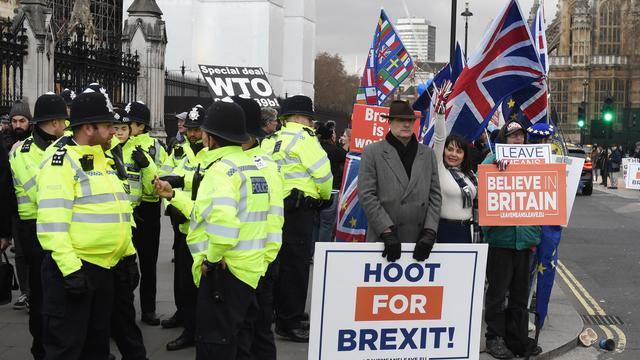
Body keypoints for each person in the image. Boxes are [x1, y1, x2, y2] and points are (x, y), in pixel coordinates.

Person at [155, 99, 272, 359]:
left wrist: (211, 259)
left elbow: (224, 225)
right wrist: (173, 195)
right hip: (249, 270)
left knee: (215, 345)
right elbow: (207, 211)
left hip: (224, 273)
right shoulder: (251, 167)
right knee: (241, 343)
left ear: (210, 136)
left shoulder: (220, 171)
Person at [36, 90, 137, 359]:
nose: (113, 132)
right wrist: (71, 271)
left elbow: (118, 211)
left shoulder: (102, 158)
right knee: (66, 349)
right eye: (107, 126)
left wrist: (128, 256)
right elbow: (52, 223)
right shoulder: (62, 161)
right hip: (76, 271)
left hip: (105, 270)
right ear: (89, 128)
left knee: (96, 346)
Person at [261, 95, 333, 342]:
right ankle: (290, 321)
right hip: (299, 211)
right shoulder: (306, 139)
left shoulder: (271, 141)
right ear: (305, 118)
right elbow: (323, 176)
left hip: (273, 209)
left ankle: (273, 314)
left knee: (274, 264)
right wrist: (324, 198)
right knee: (296, 267)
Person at [9, 93, 68, 359]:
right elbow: (43, 191)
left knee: (62, 295)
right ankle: (41, 348)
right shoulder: (23, 152)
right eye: (64, 121)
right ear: (55, 122)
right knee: (42, 297)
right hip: (34, 229)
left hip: (62, 228)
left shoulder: (64, 147)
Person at [482, 119, 542, 359]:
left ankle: (516, 337)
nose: (518, 139)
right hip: (502, 239)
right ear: (503, 140)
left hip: (525, 239)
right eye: (512, 135)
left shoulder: (534, 161)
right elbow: (483, 171)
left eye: (521, 135)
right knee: (497, 293)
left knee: (519, 294)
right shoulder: (493, 159)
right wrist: (496, 160)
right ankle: (493, 338)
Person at [358, 99, 441, 263]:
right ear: (389, 122)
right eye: (401, 120)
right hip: (385, 240)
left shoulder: (427, 154)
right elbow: (367, 195)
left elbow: (435, 196)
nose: (407, 124)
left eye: (410, 120)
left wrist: (430, 231)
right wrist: (386, 231)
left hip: (420, 241)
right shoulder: (372, 152)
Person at [233, 95, 284, 360]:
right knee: (248, 332)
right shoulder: (238, 161)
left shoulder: (263, 165)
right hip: (245, 262)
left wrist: (267, 260)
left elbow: (274, 218)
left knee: (256, 332)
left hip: (256, 264)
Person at [158, 106, 206, 351]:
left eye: (198, 130)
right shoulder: (181, 150)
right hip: (183, 223)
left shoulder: (212, 154)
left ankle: (196, 329)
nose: (193, 134)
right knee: (183, 280)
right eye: (190, 130)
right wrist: (172, 201)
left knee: (198, 283)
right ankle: (186, 321)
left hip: (204, 227)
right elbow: (168, 175)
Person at [123, 100, 167, 325]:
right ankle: (124, 311)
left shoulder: (155, 147)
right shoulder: (116, 144)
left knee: (148, 263)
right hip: (124, 210)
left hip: (148, 210)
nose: (122, 128)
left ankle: (148, 310)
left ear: (140, 126)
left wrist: (146, 165)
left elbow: (160, 183)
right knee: (123, 264)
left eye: (128, 123)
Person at [432, 111, 477, 243]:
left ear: (464, 155)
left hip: (467, 231)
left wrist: (500, 166)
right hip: (444, 230)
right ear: (443, 151)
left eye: (459, 151)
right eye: (450, 149)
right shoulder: (440, 169)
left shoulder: (470, 175)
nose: (453, 154)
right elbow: (439, 139)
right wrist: (440, 115)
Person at [7, 99, 33, 311]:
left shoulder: (35, 143)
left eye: (22, 120)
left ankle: (36, 291)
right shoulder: (4, 142)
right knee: (21, 255)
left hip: (34, 209)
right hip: (13, 207)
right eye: (14, 120)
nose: (18, 125)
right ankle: (25, 292)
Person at [314, 120, 346, 244]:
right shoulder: (335, 150)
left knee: (315, 224)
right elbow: (348, 157)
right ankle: (321, 253)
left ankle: (311, 252)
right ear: (331, 135)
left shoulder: (314, 149)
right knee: (326, 225)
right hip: (332, 191)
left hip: (315, 191)